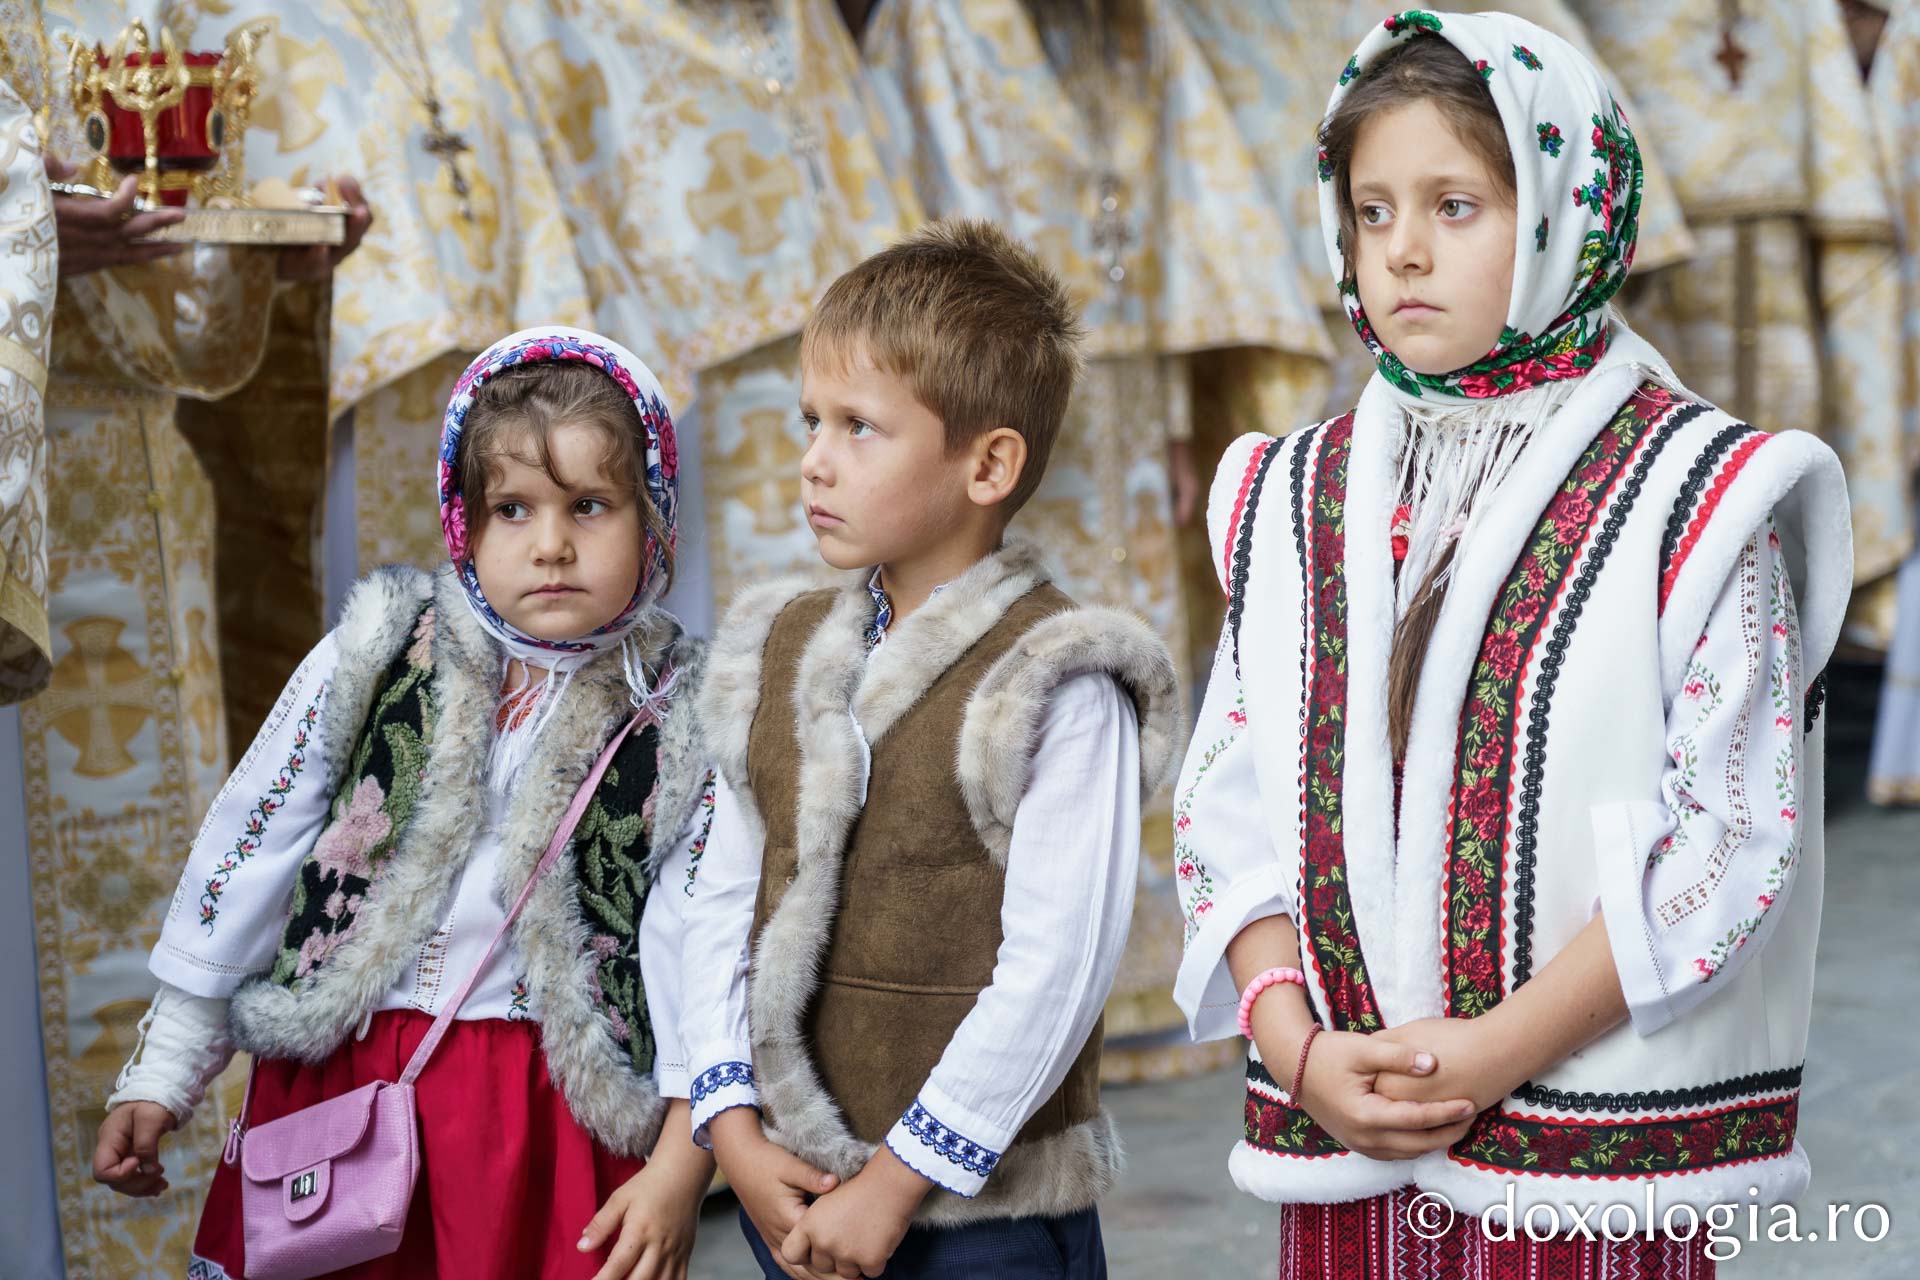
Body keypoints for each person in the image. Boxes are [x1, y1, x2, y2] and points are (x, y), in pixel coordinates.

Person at [1172, 14, 1851, 1276]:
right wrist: (1295, 1044)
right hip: (1344, 1131)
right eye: (1371, 211)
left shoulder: (1695, 498)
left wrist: (1492, 1050)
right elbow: (1230, 795)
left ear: (1565, 212)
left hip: (1585, 1167)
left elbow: (1728, 828)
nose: (1404, 251)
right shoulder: (1291, 490)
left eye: (1456, 204)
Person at [90, 328, 720, 1280]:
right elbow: (256, 843)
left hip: (540, 1112)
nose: (550, 544)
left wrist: (681, 1161)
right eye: (514, 508)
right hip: (345, 1075)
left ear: (656, 519)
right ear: (464, 524)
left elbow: (701, 937)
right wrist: (169, 1063)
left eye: (590, 506)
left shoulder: (685, 708)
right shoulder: (381, 647)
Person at [680, 220, 1178, 1279]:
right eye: (811, 419)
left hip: (978, 1226)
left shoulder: (1056, 675)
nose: (814, 458)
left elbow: (1058, 969)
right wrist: (730, 1120)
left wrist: (900, 1179)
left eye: (860, 426)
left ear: (988, 462)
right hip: (799, 1195)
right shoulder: (777, 651)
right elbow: (722, 893)